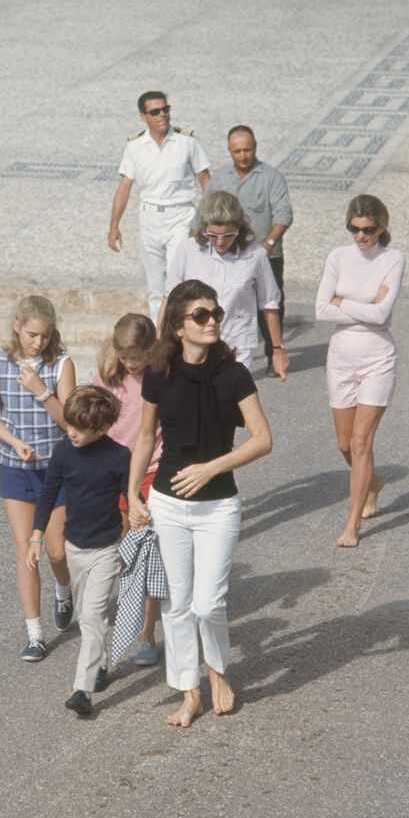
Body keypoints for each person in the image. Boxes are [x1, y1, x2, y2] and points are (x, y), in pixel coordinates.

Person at [128, 280, 273, 727]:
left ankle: (217, 672)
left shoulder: (234, 374)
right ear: (177, 326)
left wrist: (212, 468)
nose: (212, 322)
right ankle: (189, 692)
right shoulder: (158, 373)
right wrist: (134, 494)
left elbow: (263, 440)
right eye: (200, 316)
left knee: (209, 604)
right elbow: (146, 435)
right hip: (167, 504)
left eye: (216, 315)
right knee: (178, 604)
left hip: (218, 507)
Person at [0, 295, 75, 661]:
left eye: (46, 336)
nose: (39, 343)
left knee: (56, 550)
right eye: (33, 334)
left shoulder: (61, 365)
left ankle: (64, 590)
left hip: (57, 470)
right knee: (25, 550)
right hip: (15, 468)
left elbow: (70, 422)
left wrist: (41, 390)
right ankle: (35, 634)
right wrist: (14, 442)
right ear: (17, 327)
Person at [26, 386, 130, 717]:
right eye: (69, 425)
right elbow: (48, 493)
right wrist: (37, 536)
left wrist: (136, 532)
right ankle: (99, 663)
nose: (71, 432)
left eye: (79, 429)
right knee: (88, 612)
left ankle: (81, 691)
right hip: (74, 547)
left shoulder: (119, 456)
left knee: (91, 617)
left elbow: (131, 500)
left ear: (102, 429)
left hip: (106, 550)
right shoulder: (63, 452)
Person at [315, 194, 405, 547]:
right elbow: (322, 310)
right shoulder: (338, 257)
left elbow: (383, 316)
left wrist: (343, 303)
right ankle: (373, 482)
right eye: (354, 229)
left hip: (378, 357)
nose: (360, 236)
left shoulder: (393, 259)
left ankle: (352, 524)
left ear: (382, 227)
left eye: (367, 230)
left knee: (361, 441)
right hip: (340, 355)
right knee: (344, 443)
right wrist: (366, 304)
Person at [93, 313, 163, 666]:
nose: (132, 363)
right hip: (115, 470)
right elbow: (95, 419)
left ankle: (147, 632)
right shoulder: (109, 373)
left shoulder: (161, 373)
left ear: (152, 348)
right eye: (126, 357)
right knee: (116, 553)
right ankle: (113, 622)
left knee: (146, 554)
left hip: (152, 469)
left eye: (138, 357)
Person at [195, 125, 293, 374]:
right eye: (237, 151)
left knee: (270, 305)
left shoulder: (271, 177)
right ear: (229, 151)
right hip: (229, 254)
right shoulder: (219, 177)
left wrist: (269, 243)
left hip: (265, 254)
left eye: (247, 150)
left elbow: (283, 214)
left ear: (255, 148)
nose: (242, 156)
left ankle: (274, 353)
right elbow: (202, 212)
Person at [159, 190, 289, 376]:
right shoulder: (188, 249)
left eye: (228, 235)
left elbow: (269, 304)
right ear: (203, 227)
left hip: (236, 348)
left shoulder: (256, 255)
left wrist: (278, 349)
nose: (220, 243)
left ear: (239, 228)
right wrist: (160, 341)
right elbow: (169, 297)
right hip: (192, 347)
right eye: (212, 235)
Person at [108, 90, 210, 320]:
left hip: (181, 216)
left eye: (165, 109)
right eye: (155, 112)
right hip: (149, 219)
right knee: (155, 288)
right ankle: (159, 337)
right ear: (144, 116)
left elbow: (206, 181)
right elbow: (124, 187)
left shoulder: (187, 141)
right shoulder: (135, 147)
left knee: (179, 282)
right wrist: (114, 226)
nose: (162, 115)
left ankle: (181, 334)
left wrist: (206, 220)